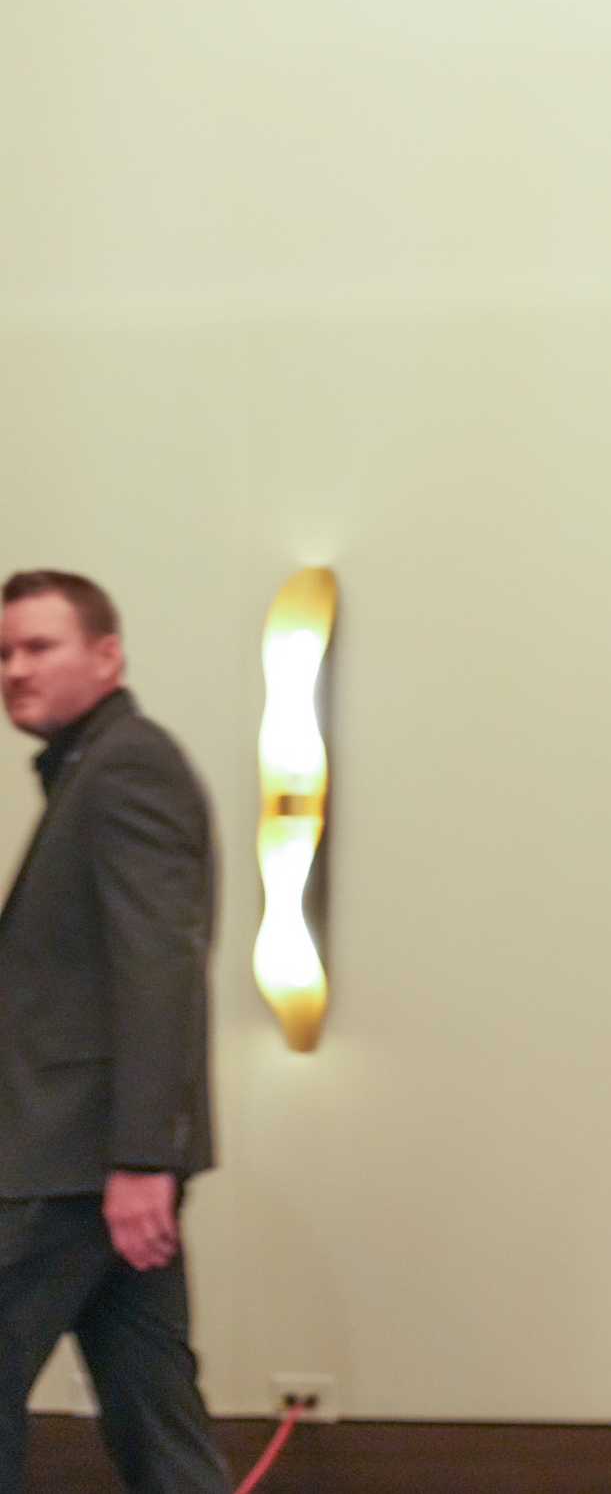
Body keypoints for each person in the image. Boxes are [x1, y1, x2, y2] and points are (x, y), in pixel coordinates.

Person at [0, 571, 228, 1494]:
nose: (15, 668)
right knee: (154, 1412)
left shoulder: (130, 765)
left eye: (38, 646)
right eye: (4, 653)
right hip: (94, 1164)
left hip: (76, 1163)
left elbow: (158, 966)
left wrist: (142, 1159)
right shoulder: (93, 768)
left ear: (107, 653)